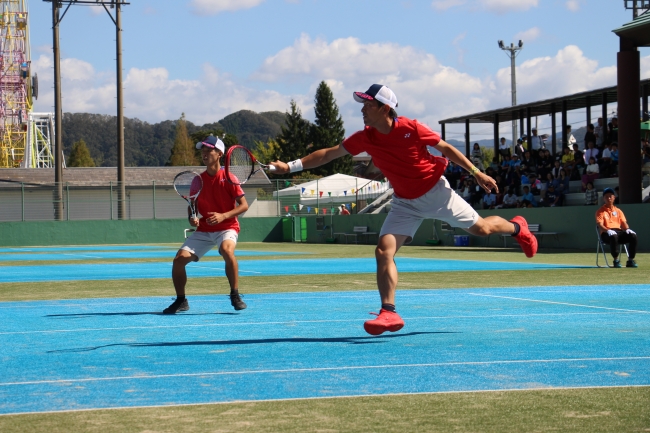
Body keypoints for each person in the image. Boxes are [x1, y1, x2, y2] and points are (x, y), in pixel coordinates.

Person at [270, 84, 538, 335]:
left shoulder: (411, 128)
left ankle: (518, 228)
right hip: (404, 203)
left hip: (436, 193)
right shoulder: (365, 137)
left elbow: (444, 147)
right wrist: (290, 166)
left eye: (367, 104)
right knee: (383, 250)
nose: (362, 109)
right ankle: (389, 313)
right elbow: (329, 153)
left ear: (384, 108)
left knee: (483, 229)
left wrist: (476, 172)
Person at [163, 135, 249, 314]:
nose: (204, 153)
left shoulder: (229, 178)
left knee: (227, 250)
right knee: (178, 260)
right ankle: (181, 301)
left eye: (208, 149)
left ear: (219, 153)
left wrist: (223, 216)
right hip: (204, 229)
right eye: (202, 150)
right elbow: (192, 207)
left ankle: (235, 294)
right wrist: (192, 217)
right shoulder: (198, 180)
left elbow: (244, 206)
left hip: (227, 227)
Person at [596, 188, 638, 268]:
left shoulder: (618, 211)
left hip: (619, 232)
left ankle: (630, 260)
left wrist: (627, 229)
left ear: (614, 197)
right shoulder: (600, 211)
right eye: (606, 197)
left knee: (633, 236)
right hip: (606, 234)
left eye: (610, 196)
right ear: (603, 198)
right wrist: (608, 230)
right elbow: (599, 224)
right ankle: (616, 260)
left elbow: (623, 222)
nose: (609, 198)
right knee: (613, 236)